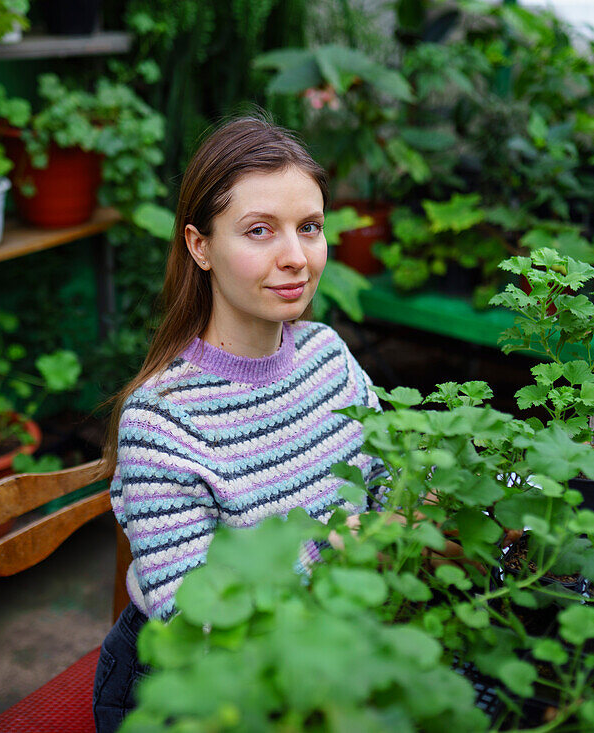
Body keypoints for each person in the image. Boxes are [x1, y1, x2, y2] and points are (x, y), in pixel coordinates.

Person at [91, 116, 385, 732]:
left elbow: (392, 481)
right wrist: (344, 541)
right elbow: (198, 625)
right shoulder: (161, 421)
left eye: (310, 227)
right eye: (260, 231)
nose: (297, 258)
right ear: (200, 246)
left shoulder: (328, 354)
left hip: (318, 648)